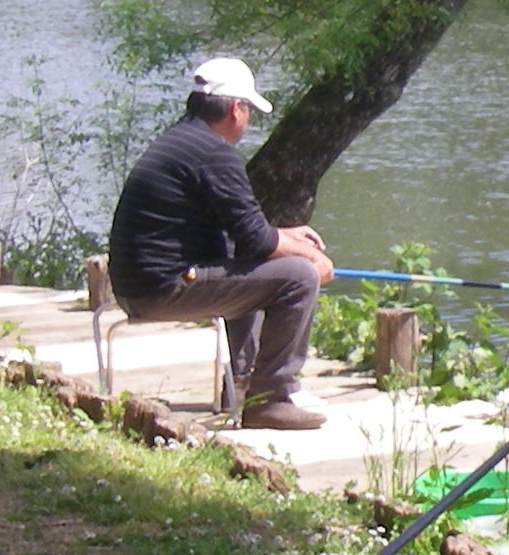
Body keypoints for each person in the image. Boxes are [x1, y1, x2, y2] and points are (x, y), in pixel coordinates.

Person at [105, 58, 338, 429]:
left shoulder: (182, 141)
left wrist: (286, 235)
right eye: (249, 111)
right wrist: (313, 257)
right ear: (236, 109)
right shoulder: (213, 154)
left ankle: (241, 386)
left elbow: (248, 232)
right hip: (162, 290)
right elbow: (257, 239)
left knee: (248, 264)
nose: (248, 121)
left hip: (135, 288)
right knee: (298, 276)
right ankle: (270, 399)